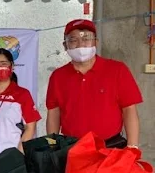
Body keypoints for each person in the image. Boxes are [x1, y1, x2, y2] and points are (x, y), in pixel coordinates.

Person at [46, 19, 142, 149]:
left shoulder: (117, 70)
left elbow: (129, 110)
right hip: (72, 148)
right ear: (65, 45)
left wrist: (133, 146)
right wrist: (52, 147)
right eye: (73, 40)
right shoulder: (58, 76)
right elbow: (53, 114)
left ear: (96, 42)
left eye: (86, 38)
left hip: (110, 147)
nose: (81, 45)